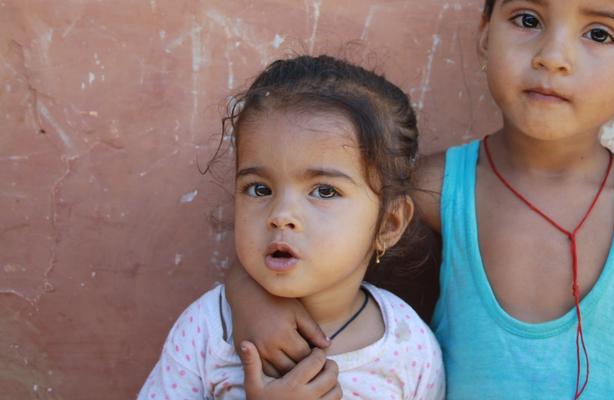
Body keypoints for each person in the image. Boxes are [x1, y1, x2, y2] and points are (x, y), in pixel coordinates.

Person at [225, 0, 614, 398]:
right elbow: (296, 245)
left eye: (598, 34)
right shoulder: (435, 190)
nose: (553, 56)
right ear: (486, 33)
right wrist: (253, 301)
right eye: (527, 20)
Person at [138, 55, 445, 400]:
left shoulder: (407, 349)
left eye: (324, 191)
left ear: (389, 223)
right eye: (260, 189)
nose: (281, 215)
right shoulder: (209, 329)